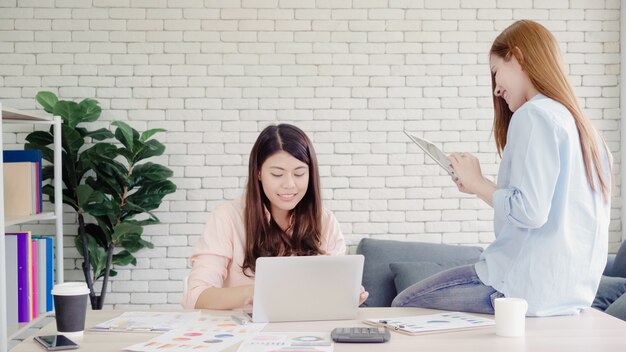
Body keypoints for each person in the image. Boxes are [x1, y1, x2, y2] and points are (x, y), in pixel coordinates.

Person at [392, 20, 612, 316]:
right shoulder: (588, 132)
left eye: (496, 72)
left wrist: (479, 182)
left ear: (518, 57)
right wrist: (477, 186)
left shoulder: (533, 115)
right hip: (570, 296)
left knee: (402, 306)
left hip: (518, 286)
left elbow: (530, 212)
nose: (495, 88)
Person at [182, 123, 368, 310]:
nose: (289, 184)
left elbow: (328, 296)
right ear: (259, 173)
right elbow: (196, 297)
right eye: (277, 174)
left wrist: (345, 295)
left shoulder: (325, 221)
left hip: (305, 330)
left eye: (299, 173)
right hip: (244, 331)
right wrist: (255, 292)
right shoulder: (227, 217)